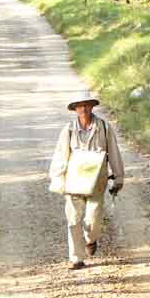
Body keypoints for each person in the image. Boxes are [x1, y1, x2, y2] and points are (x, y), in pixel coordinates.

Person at [48, 92, 125, 270]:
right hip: (74, 181)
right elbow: (60, 156)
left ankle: (91, 239)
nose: (84, 108)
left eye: (87, 105)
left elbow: (113, 153)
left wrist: (118, 178)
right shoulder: (68, 129)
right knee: (73, 219)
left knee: (94, 217)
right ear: (75, 109)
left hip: (97, 180)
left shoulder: (104, 127)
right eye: (80, 106)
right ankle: (76, 258)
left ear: (92, 106)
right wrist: (57, 178)